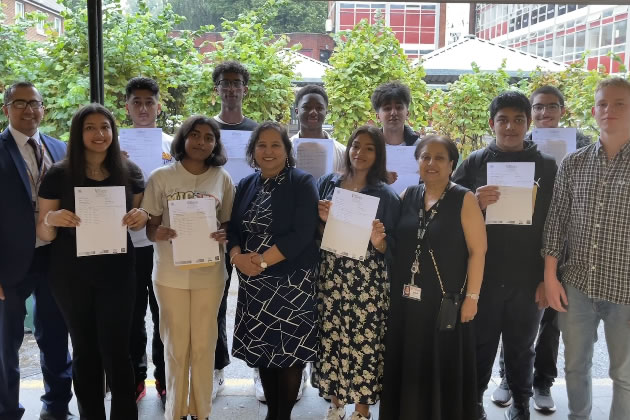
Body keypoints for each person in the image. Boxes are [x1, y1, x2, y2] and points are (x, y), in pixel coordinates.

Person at [36, 103, 147, 420]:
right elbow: (44, 233)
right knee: (85, 351)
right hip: (71, 275)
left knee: (117, 350)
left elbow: (141, 219)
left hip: (118, 272)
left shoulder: (131, 173)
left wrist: (142, 215)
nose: (99, 134)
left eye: (105, 127)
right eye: (90, 128)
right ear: (78, 133)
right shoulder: (59, 174)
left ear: (113, 132)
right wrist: (53, 219)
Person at [452, 91, 557, 420]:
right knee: (480, 347)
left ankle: (521, 406)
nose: (510, 126)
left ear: (528, 124)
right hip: (484, 277)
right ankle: (473, 405)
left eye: (518, 120)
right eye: (503, 119)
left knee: (521, 349)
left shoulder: (547, 166)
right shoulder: (474, 163)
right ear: (491, 123)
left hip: (528, 278)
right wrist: (473, 201)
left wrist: (546, 278)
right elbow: (449, 210)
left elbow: (557, 223)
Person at [492, 84, 591, 413]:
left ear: (563, 110)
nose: (544, 112)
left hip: (564, 250)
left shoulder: (583, 147)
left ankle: (541, 382)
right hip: (518, 255)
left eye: (551, 106)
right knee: (516, 319)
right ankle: (509, 378)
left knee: (549, 319)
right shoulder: (516, 148)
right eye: (537, 107)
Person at [379, 135, 487, 420]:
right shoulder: (407, 196)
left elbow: (478, 252)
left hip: (444, 305)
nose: (431, 163)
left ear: (452, 164)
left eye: (439, 158)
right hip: (407, 301)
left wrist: (472, 299)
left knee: (441, 367)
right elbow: (394, 244)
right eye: (425, 157)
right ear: (417, 162)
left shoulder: (464, 199)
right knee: (410, 364)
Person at [543, 77, 630, 420]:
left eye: (619, 103)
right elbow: (556, 224)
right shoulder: (573, 163)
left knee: (624, 375)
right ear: (594, 111)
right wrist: (550, 277)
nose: (609, 110)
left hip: (625, 290)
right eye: (603, 104)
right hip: (576, 285)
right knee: (576, 368)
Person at [142, 115, 234, 420]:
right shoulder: (161, 177)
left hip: (210, 274)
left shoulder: (222, 178)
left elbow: (228, 225)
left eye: (209, 137)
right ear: (183, 139)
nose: (202, 142)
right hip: (170, 275)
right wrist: (160, 232)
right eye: (195, 135)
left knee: (205, 344)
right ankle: (175, 412)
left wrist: (224, 234)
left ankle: (202, 412)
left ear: (215, 144)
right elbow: (150, 228)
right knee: (175, 345)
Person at [227, 122, 319, 420]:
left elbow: (303, 233)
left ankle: (283, 416)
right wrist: (236, 255)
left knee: (289, 357)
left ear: (286, 150)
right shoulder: (246, 184)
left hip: (291, 284)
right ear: (253, 151)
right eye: (262, 145)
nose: (268, 151)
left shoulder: (302, 182)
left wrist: (263, 261)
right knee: (264, 354)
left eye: (275, 145)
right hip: (255, 285)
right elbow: (233, 229)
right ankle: (271, 415)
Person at [315, 125, 400, 420]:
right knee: (333, 336)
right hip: (332, 276)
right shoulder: (329, 183)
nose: (359, 153)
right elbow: (317, 234)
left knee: (364, 340)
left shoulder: (385, 195)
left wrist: (380, 243)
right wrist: (323, 220)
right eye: (355, 145)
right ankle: (336, 403)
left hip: (367, 282)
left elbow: (395, 244)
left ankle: (361, 410)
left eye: (369, 148)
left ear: (378, 155)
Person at [0, 82, 74, 420]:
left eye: (35, 103)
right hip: (10, 262)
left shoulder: (60, 149)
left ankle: (57, 406)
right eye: (19, 103)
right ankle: (7, 410)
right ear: (6, 109)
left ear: (44, 108)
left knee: (56, 335)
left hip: (55, 257)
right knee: (6, 344)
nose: (28, 110)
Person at [210, 60, 259, 400]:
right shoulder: (205, 131)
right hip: (214, 227)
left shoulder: (257, 132)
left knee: (257, 300)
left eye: (236, 82)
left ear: (245, 89)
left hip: (254, 227)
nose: (230, 88)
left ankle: (260, 368)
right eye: (224, 83)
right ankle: (215, 369)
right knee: (214, 299)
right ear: (217, 89)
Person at [124, 76, 172, 405]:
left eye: (149, 102)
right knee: (131, 315)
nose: (143, 108)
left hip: (163, 245)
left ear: (158, 106)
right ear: (126, 107)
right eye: (137, 102)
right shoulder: (111, 145)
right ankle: (135, 377)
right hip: (125, 245)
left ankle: (165, 378)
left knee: (163, 316)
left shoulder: (172, 145)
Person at [371, 82, 420, 185]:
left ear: (407, 113)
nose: (393, 113)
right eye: (387, 108)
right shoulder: (369, 147)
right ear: (378, 116)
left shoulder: (421, 147)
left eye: (399, 107)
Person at [291, 84, 345, 174]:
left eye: (319, 108)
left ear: (326, 112)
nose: (313, 112)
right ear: (297, 111)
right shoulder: (285, 150)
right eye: (306, 107)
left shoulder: (342, 153)